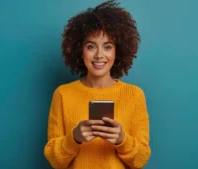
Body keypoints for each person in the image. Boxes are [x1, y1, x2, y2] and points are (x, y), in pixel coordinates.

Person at [44, 1, 151, 168]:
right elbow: (55, 161)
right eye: (91, 46)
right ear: (80, 50)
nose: (99, 55)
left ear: (118, 51)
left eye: (107, 47)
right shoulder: (63, 94)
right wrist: (74, 138)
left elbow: (141, 159)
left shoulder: (135, 95)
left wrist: (122, 140)